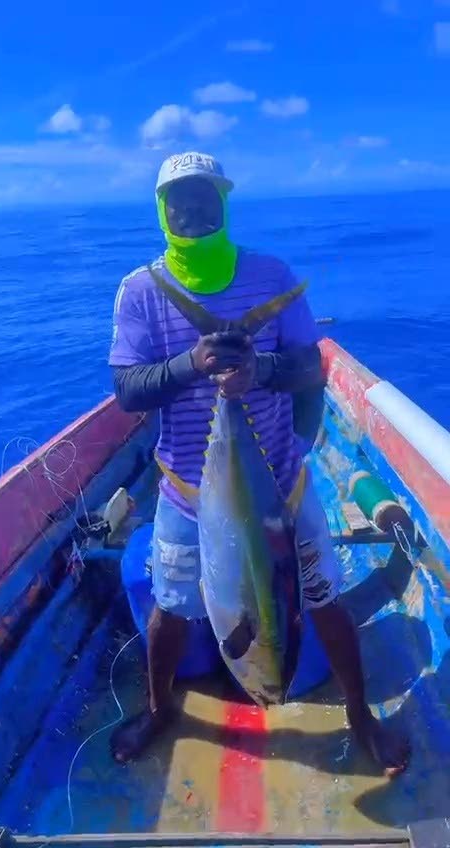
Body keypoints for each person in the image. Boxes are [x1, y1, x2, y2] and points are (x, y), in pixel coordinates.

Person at [108, 151, 409, 776]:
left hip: (283, 487)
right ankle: (160, 710)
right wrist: (195, 363)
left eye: (204, 198)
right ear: (162, 209)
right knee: (170, 606)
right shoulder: (140, 290)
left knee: (321, 598)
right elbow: (130, 390)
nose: (192, 211)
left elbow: (309, 369)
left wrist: (258, 371)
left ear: (223, 203)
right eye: (178, 201)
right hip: (186, 490)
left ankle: (360, 716)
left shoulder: (272, 275)